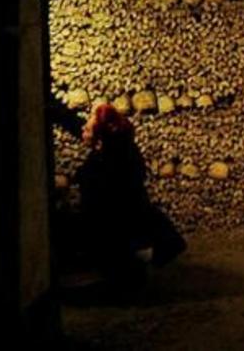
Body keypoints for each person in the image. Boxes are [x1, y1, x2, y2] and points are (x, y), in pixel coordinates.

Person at [73, 103, 185, 292]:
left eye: (88, 126)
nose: (83, 128)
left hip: (119, 227)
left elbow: (107, 202)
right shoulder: (119, 149)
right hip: (126, 224)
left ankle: (128, 270)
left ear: (100, 136)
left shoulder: (111, 159)